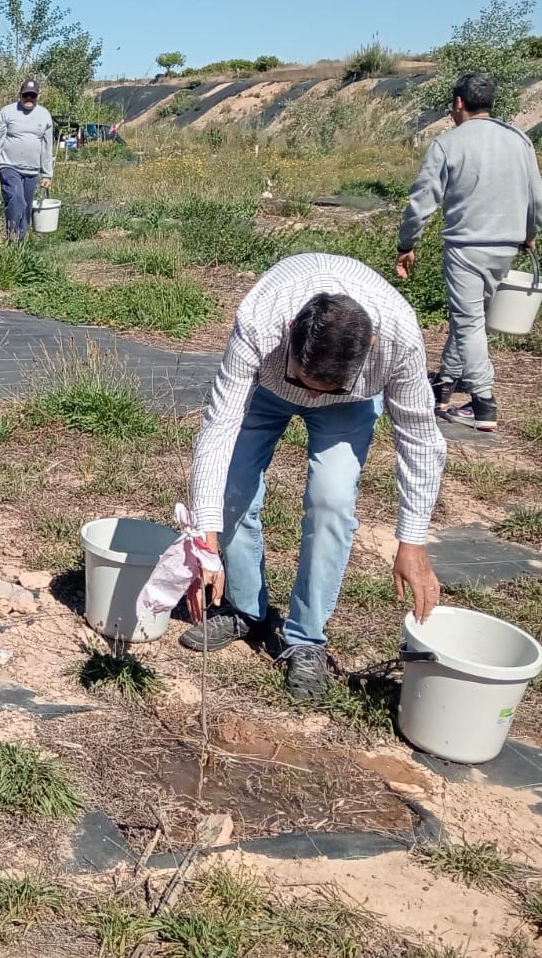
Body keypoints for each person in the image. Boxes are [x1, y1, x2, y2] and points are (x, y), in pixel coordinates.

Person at [180, 253, 445, 700]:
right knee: (232, 489)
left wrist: (413, 540)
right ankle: (246, 609)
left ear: (371, 346)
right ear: (289, 333)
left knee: (331, 501)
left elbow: (419, 437)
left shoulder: (400, 340)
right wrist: (205, 533)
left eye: (325, 386)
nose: (312, 396)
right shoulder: (260, 321)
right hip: (267, 389)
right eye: (304, 382)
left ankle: (306, 640)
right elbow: (220, 425)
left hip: (349, 407)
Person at [396, 72, 542, 433]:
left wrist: (406, 244)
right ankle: (445, 383)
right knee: (471, 317)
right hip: (506, 246)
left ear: (459, 102)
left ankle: (483, 402)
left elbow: (422, 200)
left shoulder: (448, 143)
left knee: (468, 322)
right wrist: (529, 234)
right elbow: (538, 197)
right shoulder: (519, 139)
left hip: (466, 247)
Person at [0, 79, 53, 240]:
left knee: (26, 208)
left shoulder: (44, 115)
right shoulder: (7, 112)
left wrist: (47, 174)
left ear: (38, 96)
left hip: (32, 170)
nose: (29, 98)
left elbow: (47, 146)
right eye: (26, 95)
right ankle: (12, 235)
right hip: (8, 166)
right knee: (16, 198)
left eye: (32, 96)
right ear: (20, 95)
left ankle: (18, 244)